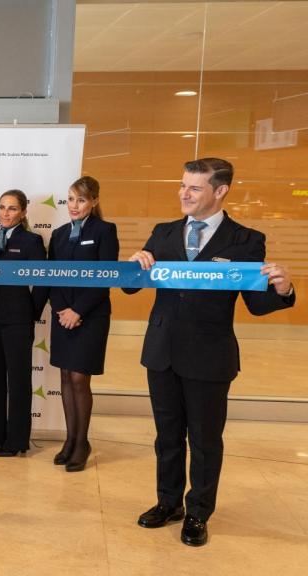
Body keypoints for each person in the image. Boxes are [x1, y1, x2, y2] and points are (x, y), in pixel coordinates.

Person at [125, 158, 294, 547]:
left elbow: (256, 303)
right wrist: (136, 265)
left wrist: (283, 289)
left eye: (194, 188)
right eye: (182, 185)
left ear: (220, 191)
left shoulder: (245, 240)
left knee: (204, 440)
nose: (183, 194)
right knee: (167, 436)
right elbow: (133, 286)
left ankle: (198, 512)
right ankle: (168, 503)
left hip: (209, 355)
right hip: (162, 351)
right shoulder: (164, 232)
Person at [44, 176, 119, 472]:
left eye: (82, 200)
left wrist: (78, 311)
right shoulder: (59, 234)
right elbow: (51, 276)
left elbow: (105, 278)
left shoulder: (105, 231)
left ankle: (82, 442)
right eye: (71, 199)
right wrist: (62, 309)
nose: (74, 205)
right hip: (63, 314)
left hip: (91, 316)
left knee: (79, 379)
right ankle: (70, 439)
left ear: (94, 201)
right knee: (65, 376)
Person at [0, 189, 46, 458]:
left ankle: (16, 441)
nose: (6, 213)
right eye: (2, 207)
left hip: (18, 320)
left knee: (18, 381)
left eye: (12, 208)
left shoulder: (32, 241)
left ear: (23, 212)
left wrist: (30, 313)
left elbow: (42, 282)